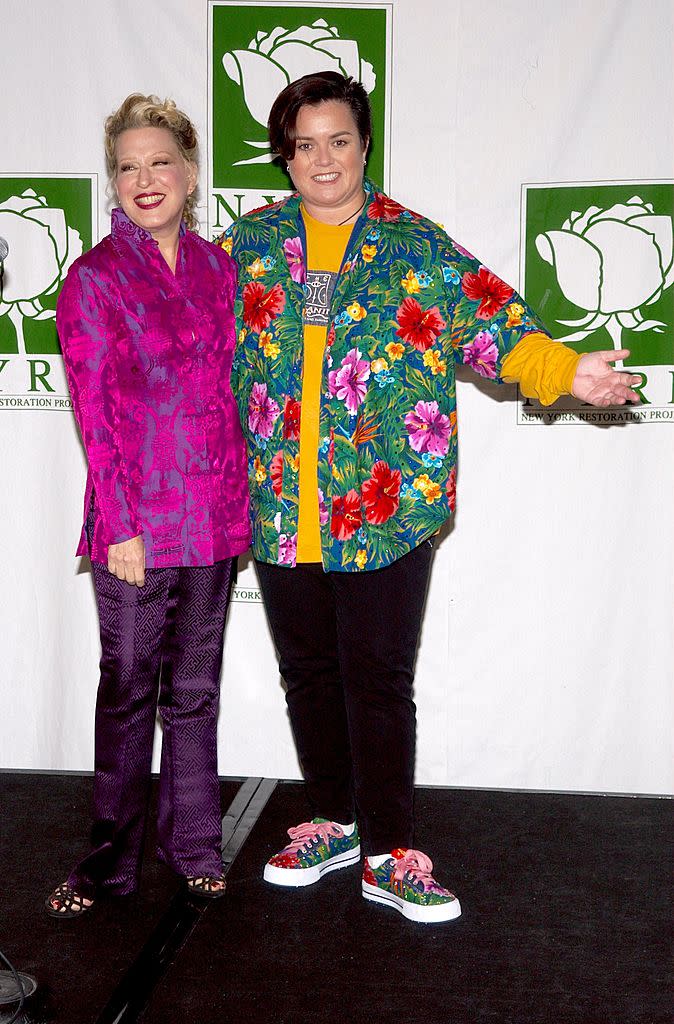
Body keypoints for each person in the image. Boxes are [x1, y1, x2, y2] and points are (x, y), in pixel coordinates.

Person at [220, 71, 640, 925]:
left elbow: (496, 327)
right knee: (308, 673)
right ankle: (333, 823)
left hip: (384, 503)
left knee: (377, 677)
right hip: (273, 500)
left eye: (339, 140)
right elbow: (192, 349)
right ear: (284, 156)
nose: (323, 160)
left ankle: (390, 851)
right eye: (304, 145)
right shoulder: (248, 245)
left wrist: (569, 372)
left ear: (364, 146)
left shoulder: (416, 246)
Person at [45, 94, 250, 917]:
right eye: (126, 166)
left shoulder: (219, 269)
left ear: (191, 173)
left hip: (214, 516)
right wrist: (119, 524)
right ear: (113, 184)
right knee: (127, 689)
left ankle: (195, 842)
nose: (144, 178)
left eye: (159, 161)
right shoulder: (93, 277)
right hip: (135, 524)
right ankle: (107, 865)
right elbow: (94, 411)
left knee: (195, 689)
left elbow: (235, 392)